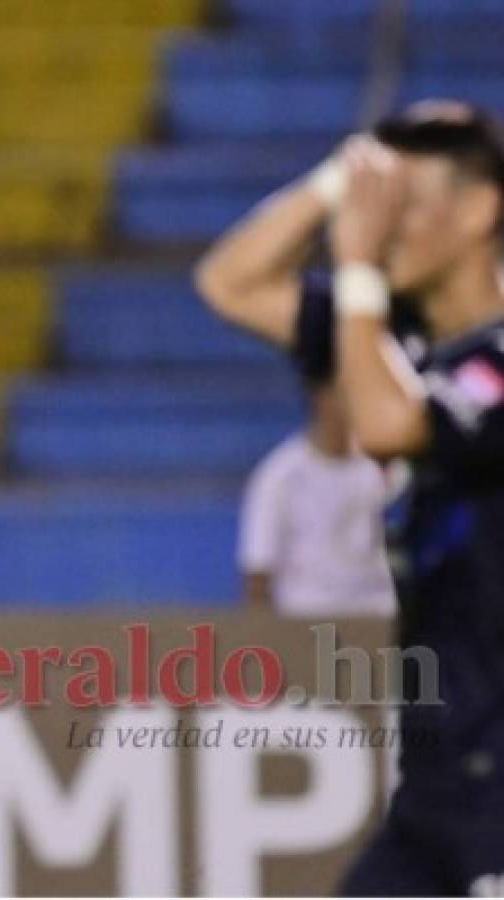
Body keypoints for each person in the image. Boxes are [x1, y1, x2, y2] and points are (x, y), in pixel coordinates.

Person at [196, 100, 504, 895]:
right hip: (438, 777)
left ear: (477, 211)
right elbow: (229, 282)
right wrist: (340, 178)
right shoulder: (389, 334)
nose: (380, 224)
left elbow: (388, 423)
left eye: (406, 205)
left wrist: (359, 264)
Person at [239, 379, 395, 617]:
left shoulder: (384, 466)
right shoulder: (279, 476)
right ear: (318, 396)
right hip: (307, 620)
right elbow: (258, 573)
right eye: (341, 394)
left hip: (379, 615)